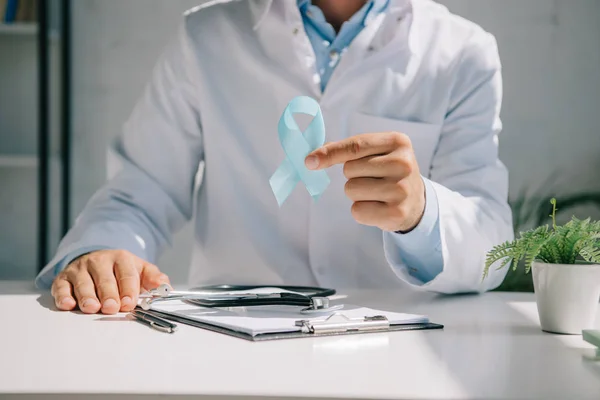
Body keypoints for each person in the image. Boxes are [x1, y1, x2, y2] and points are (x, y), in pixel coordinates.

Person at [37, 0, 514, 315]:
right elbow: (140, 190)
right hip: (229, 344)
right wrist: (98, 252)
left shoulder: (462, 53)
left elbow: (490, 240)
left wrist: (423, 212)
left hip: (394, 352)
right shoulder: (205, 36)